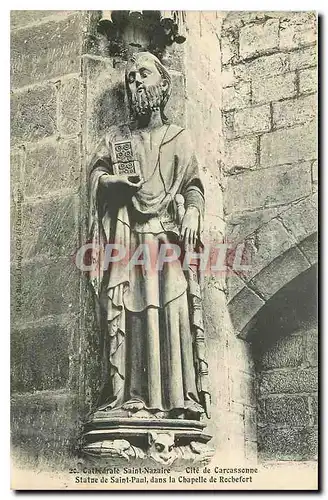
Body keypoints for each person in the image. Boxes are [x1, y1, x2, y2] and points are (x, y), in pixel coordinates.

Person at [88, 51, 209, 421]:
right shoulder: (120, 139)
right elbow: (98, 177)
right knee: (135, 311)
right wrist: (113, 183)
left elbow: (193, 186)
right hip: (130, 239)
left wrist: (192, 210)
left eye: (143, 73)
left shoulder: (179, 138)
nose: (136, 81)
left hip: (167, 239)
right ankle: (133, 396)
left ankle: (179, 397)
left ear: (164, 83)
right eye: (130, 77)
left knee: (172, 310)